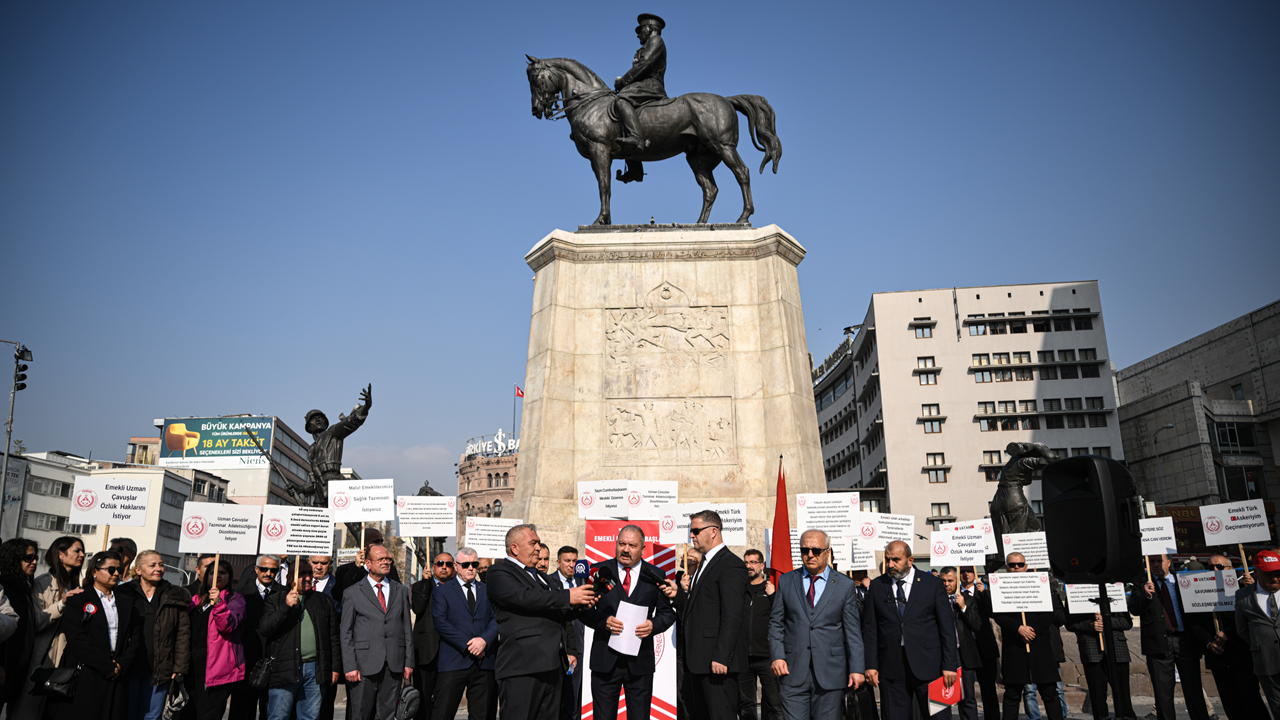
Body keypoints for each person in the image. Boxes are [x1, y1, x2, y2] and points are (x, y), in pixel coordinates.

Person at [487, 524, 595, 720]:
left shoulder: (544, 578)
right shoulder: (499, 572)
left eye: (538, 542)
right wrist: (568, 596)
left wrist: (582, 603)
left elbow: (559, 613)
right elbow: (526, 597)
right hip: (522, 667)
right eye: (533, 543)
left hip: (553, 666)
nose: (538, 547)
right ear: (515, 548)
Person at [766, 530, 864, 720]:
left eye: (816, 550)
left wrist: (857, 668)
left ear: (827, 552)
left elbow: (853, 632)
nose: (809, 555)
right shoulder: (787, 581)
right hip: (792, 671)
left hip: (831, 672)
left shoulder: (844, 585)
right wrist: (777, 656)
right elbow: (776, 623)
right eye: (805, 550)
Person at [582, 525, 676, 720]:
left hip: (640, 663)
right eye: (621, 544)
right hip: (605, 662)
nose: (625, 549)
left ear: (642, 549)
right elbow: (583, 611)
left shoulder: (655, 574)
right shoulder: (599, 571)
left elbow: (667, 614)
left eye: (632, 545)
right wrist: (603, 621)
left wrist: (653, 626)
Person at [861, 540, 958, 720]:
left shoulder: (932, 584)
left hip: (931, 668)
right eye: (888, 559)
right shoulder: (877, 586)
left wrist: (949, 665)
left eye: (896, 560)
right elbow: (870, 629)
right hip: (892, 668)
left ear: (910, 560)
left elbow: (947, 628)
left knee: (938, 717)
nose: (890, 564)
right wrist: (871, 664)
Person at [666, 510, 748, 720]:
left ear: (713, 531)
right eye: (690, 531)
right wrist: (677, 595)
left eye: (695, 531)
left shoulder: (730, 564)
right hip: (698, 662)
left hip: (717, 664)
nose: (691, 536)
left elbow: (732, 615)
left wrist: (722, 657)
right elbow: (700, 608)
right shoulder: (704, 563)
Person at [49, 550, 142, 720]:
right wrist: (105, 665)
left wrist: (121, 664)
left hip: (118, 670)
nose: (116, 574)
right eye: (111, 569)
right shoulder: (80, 599)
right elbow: (77, 638)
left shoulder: (126, 601)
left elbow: (135, 636)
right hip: (87, 670)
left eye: (119, 570)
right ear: (94, 572)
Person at [1130, 554, 1212, 720]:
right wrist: (1146, 595)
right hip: (1159, 644)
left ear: (1168, 562)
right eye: (1151, 561)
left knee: (1194, 690)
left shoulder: (1182, 581)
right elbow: (1134, 608)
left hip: (1185, 642)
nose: (1155, 565)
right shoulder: (1142, 584)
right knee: (1162, 694)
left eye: (1159, 561)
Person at [12, 535, 86, 720]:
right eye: (77, 550)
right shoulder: (43, 583)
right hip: (41, 658)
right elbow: (35, 622)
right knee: (28, 711)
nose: (82, 555)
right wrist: (62, 604)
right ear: (61, 554)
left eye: (82, 551)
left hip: (66, 660)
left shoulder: (75, 584)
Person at [340, 543, 414, 720]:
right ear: (368, 563)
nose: (386, 562)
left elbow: (406, 630)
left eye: (388, 559)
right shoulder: (352, 593)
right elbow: (346, 632)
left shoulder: (401, 590)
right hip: (363, 665)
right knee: (361, 714)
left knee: (387, 715)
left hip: (393, 664)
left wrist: (408, 662)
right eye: (380, 559)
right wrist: (350, 666)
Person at [989, 553, 1064, 720]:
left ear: (1026, 566)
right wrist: (1018, 628)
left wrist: (1032, 630)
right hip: (1015, 645)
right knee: (1012, 694)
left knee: (1049, 692)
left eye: (1020, 564)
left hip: (1039, 644)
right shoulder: (999, 586)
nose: (1016, 567)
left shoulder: (1040, 583)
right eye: (1012, 565)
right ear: (1006, 567)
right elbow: (998, 615)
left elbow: (1049, 613)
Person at [259, 572, 341, 720]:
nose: (308, 578)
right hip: (284, 668)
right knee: (279, 715)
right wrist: (285, 606)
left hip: (315, 669)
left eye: (309, 574)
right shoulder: (275, 599)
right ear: (290, 578)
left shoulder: (323, 600)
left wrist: (334, 667)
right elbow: (265, 629)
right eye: (302, 574)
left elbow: (333, 636)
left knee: (310, 716)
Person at [121, 550, 191, 720]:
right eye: (152, 565)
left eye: (160, 564)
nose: (158, 568)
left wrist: (180, 667)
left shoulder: (174, 594)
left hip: (160, 668)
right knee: (126, 714)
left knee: (152, 716)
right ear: (138, 570)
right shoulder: (124, 593)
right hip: (128, 667)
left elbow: (183, 634)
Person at [432, 547, 499, 720]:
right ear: (456, 565)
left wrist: (484, 640)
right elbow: (441, 623)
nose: (471, 568)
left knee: (482, 715)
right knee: (443, 712)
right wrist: (471, 644)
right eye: (466, 564)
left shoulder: (488, 590)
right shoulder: (442, 591)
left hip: (484, 662)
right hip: (454, 660)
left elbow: (496, 619)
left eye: (474, 564)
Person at [1204, 553, 1267, 719]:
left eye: (1220, 567)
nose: (1215, 570)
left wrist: (1228, 633)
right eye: (1211, 567)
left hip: (1242, 655)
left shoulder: (1244, 590)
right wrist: (1208, 642)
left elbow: (1253, 618)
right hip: (1218, 657)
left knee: (1251, 701)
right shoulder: (1200, 592)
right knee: (1230, 704)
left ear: (1231, 569)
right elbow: (1195, 623)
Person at [186, 559, 247, 720]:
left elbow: (227, 626)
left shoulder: (235, 599)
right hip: (192, 670)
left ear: (229, 576)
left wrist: (219, 603)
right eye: (213, 573)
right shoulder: (196, 599)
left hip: (216, 673)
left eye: (222, 573)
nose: (217, 576)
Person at [1063, 584, 1134, 720]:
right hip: (1091, 649)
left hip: (1117, 649)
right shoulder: (1076, 591)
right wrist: (1090, 625)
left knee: (1123, 694)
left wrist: (1106, 621)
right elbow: (1070, 624)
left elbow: (1126, 622)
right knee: (1097, 697)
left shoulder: (1113, 588)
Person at [611, 12, 667, 184]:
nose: (637, 34)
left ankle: (636, 138)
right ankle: (635, 169)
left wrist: (622, 82)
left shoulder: (656, 41)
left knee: (622, 100)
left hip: (651, 86)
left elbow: (645, 65)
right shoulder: (644, 46)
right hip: (641, 87)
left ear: (650, 28)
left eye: (640, 29)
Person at [232, 554, 286, 720]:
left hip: (273, 661)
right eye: (264, 569)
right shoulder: (240, 594)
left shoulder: (285, 595)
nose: (268, 573)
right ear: (256, 569)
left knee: (270, 710)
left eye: (273, 570)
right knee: (242, 709)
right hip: (247, 659)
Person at [1234, 548, 1280, 718]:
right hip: (1266, 663)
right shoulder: (1243, 596)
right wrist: (1261, 644)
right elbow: (1242, 630)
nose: (1275, 578)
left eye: (1278, 572)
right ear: (1257, 571)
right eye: (1269, 573)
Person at [938, 567, 985, 720]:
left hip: (964, 654)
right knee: (942, 698)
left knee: (967, 697)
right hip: (943, 654)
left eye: (950, 580)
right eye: (943, 581)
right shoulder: (935, 599)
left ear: (957, 580)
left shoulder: (968, 599)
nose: (947, 584)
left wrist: (963, 607)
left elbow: (977, 625)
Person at [739, 549, 780, 720]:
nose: (749, 566)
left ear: (762, 565)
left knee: (774, 703)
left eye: (753, 562)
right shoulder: (739, 590)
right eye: (746, 562)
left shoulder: (770, 590)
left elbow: (782, 617)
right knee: (746, 705)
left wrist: (773, 596)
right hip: (743, 658)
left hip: (767, 657)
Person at [0, 538, 39, 716]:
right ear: (13, 559)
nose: (34, 562)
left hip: (14, 671)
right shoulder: (5, 587)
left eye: (35, 557)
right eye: (28, 558)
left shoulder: (24, 589)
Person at [959, 568, 999, 720]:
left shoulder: (983, 592)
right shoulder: (957, 594)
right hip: (965, 647)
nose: (966, 574)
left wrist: (984, 594)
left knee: (988, 689)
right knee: (967, 691)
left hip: (985, 646)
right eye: (963, 571)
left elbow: (993, 613)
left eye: (969, 571)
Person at [411, 557, 445, 720]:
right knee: (422, 700)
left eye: (449, 564)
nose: (444, 567)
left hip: (449, 654)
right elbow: (418, 608)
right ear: (433, 567)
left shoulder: (456, 588)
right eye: (440, 564)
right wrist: (425, 582)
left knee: (444, 702)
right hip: (426, 653)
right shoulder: (420, 586)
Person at [553, 546, 585, 720]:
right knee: (556, 700)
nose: (571, 565)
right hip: (556, 649)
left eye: (574, 561)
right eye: (567, 561)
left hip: (579, 647)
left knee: (574, 698)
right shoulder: (549, 582)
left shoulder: (583, 582)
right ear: (558, 563)